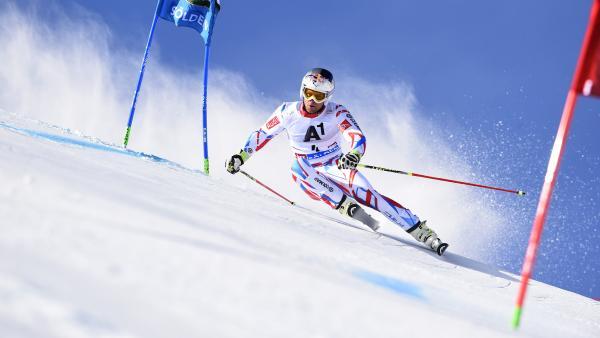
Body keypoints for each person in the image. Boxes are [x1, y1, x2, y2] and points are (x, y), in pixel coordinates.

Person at [225, 68, 448, 255]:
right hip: (307, 171)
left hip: (335, 164)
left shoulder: (336, 111)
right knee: (297, 166)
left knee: (369, 194)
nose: (312, 100)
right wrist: (241, 156)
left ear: (328, 97)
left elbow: (356, 135)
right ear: (302, 90)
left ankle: (422, 232)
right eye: (309, 93)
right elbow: (262, 134)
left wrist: (353, 154)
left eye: (319, 96)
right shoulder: (287, 112)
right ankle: (343, 204)